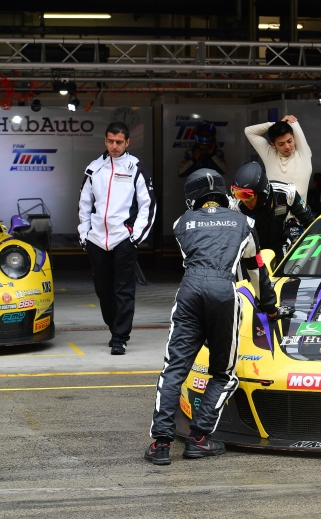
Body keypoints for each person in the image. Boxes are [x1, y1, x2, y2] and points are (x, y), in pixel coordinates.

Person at [146, 169, 294, 466]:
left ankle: (161, 443)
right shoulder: (245, 222)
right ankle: (199, 439)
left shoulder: (181, 223)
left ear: (191, 196)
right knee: (223, 373)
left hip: (189, 292)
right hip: (224, 294)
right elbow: (256, 270)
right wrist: (270, 307)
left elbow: (196, 253)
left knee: (174, 368)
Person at [78, 121, 156, 356]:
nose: (114, 146)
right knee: (103, 289)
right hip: (97, 240)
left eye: (119, 142)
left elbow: (148, 205)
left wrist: (136, 237)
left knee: (123, 289)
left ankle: (120, 337)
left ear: (127, 142)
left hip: (124, 239)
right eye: (110, 141)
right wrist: (84, 235)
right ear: (105, 140)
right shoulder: (93, 168)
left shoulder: (136, 168)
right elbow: (84, 204)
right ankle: (114, 329)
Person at [229, 161, 315, 263]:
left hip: (280, 247)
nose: (244, 201)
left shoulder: (286, 193)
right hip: (253, 252)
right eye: (239, 196)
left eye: (248, 198)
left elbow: (310, 221)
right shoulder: (236, 205)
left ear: (262, 193)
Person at [244, 115, 312, 200]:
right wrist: (277, 124)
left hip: (300, 213)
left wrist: (281, 124)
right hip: (271, 213)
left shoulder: (304, 154)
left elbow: (293, 122)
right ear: (273, 144)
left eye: (289, 141)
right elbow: (249, 131)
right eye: (281, 144)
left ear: (294, 138)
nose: (287, 146)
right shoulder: (269, 155)